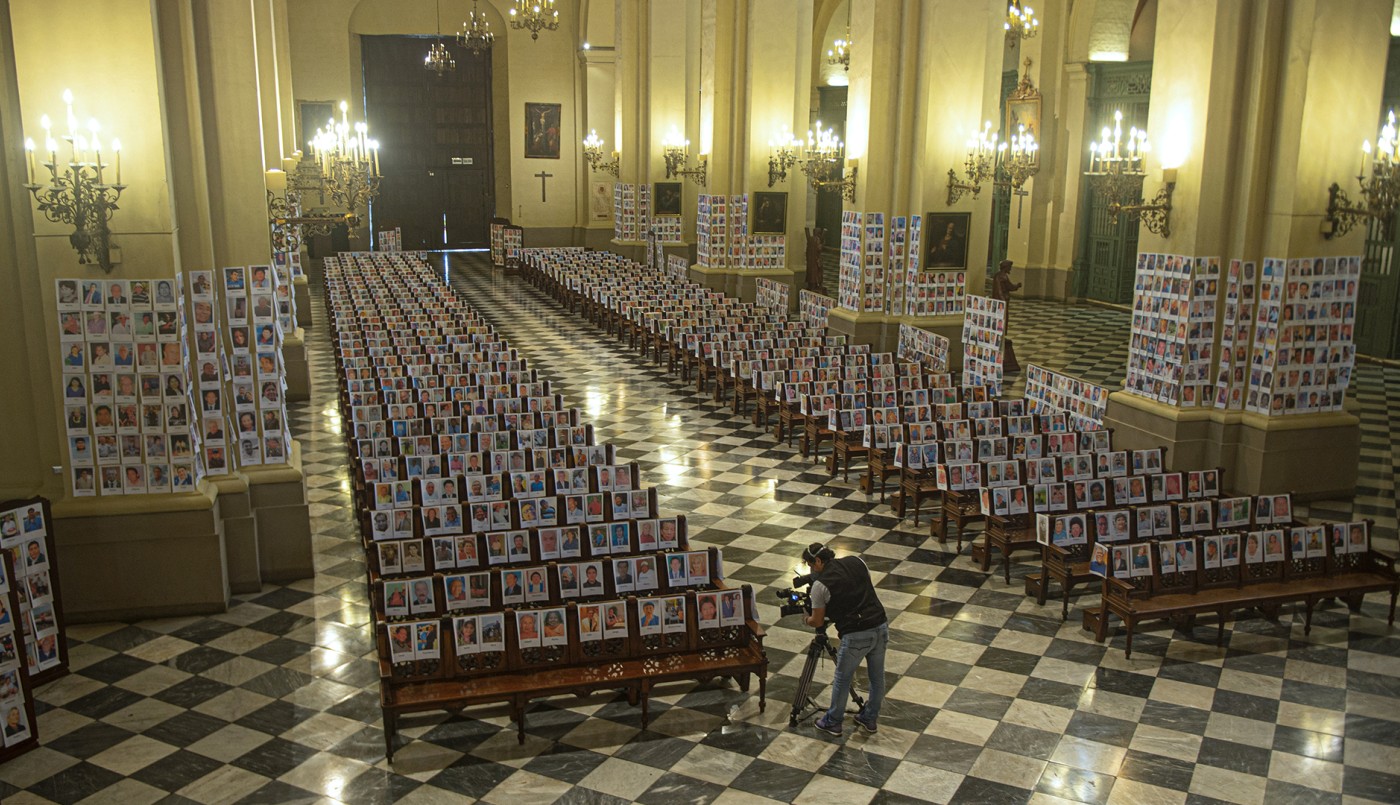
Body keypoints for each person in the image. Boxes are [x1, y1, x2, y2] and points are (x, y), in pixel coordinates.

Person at [803, 542, 887, 737]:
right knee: (877, 677)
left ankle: (833, 722)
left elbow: (816, 621)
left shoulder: (820, 586)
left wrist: (805, 619)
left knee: (842, 678)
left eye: (810, 564)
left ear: (817, 560)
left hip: (856, 634)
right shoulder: (856, 561)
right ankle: (870, 718)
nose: (810, 569)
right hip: (880, 626)